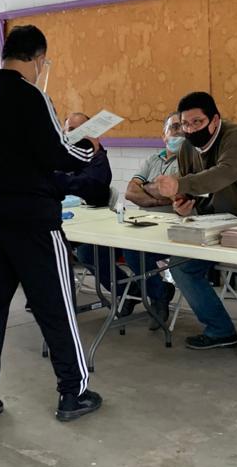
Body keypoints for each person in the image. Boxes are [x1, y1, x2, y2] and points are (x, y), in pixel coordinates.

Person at [0, 25, 102, 429]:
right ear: (39, 59)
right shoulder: (31, 96)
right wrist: (89, 148)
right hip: (31, 219)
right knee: (55, 306)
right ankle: (73, 392)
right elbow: (58, 153)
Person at [155, 92, 237, 363]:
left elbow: (222, 174)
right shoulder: (187, 149)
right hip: (221, 220)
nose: (190, 129)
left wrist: (180, 184)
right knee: (181, 266)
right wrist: (184, 204)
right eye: (185, 124)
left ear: (215, 120)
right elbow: (194, 191)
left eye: (197, 122)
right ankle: (220, 329)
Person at [76, 113, 181, 327]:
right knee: (88, 252)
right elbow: (131, 192)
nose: (179, 132)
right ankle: (127, 291)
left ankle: (159, 295)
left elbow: (176, 194)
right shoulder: (153, 160)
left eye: (183, 127)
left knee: (134, 251)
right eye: (174, 127)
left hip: (173, 226)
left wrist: (148, 189)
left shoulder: (192, 161)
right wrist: (157, 196)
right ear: (164, 135)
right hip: (142, 222)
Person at [54, 112, 112, 207]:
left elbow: (88, 187)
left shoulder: (98, 157)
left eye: (80, 130)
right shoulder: (62, 156)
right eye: (70, 130)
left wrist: (55, 179)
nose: (75, 134)